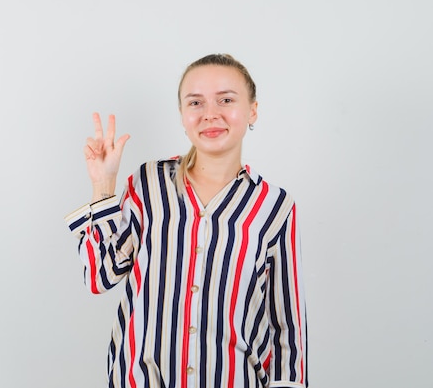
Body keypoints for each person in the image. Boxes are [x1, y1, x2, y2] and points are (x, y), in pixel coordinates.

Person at [65, 54, 307, 388]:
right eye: (196, 102)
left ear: (252, 110)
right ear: (182, 115)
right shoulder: (148, 183)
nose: (210, 114)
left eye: (226, 99)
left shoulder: (274, 206)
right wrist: (103, 185)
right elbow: (99, 276)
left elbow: (286, 324)